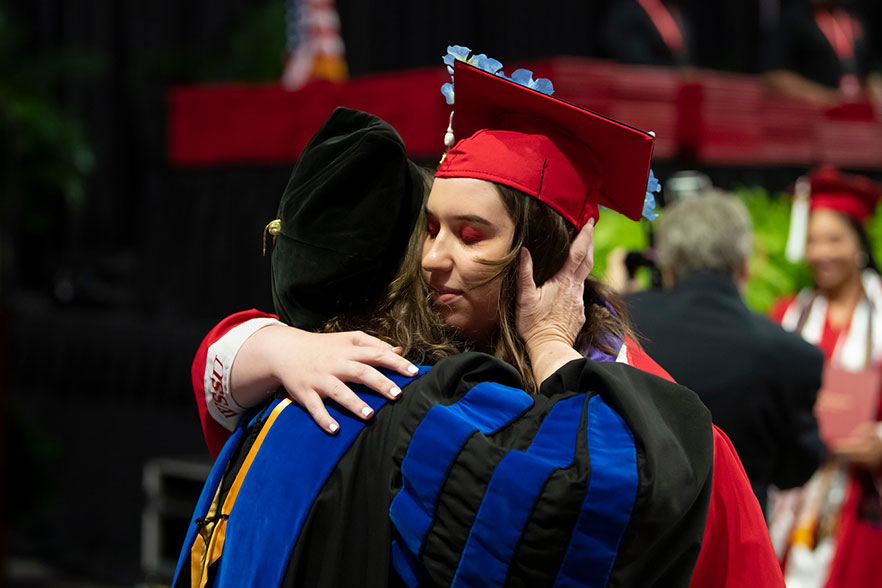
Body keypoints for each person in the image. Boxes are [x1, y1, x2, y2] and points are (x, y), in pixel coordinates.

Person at [177, 52, 784, 587]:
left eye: (472, 236)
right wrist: (284, 347)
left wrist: (547, 342)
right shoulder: (419, 356)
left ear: (547, 256)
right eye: (431, 228)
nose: (435, 259)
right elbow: (225, 371)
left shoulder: (659, 443)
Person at [623, 190, 826, 514]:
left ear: (668, 262)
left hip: (634, 535)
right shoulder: (793, 355)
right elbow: (795, 469)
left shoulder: (621, 321)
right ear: (745, 264)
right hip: (734, 543)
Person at [770, 166, 882, 588]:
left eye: (834, 239)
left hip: (861, 501)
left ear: (860, 243)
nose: (821, 252)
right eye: (814, 239)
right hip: (792, 491)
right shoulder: (787, 315)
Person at [762, 0, 882, 107]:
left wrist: (873, 86)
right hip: (812, 115)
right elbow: (775, 75)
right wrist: (824, 97)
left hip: (855, 112)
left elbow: (867, 71)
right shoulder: (794, 17)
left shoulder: (855, 16)